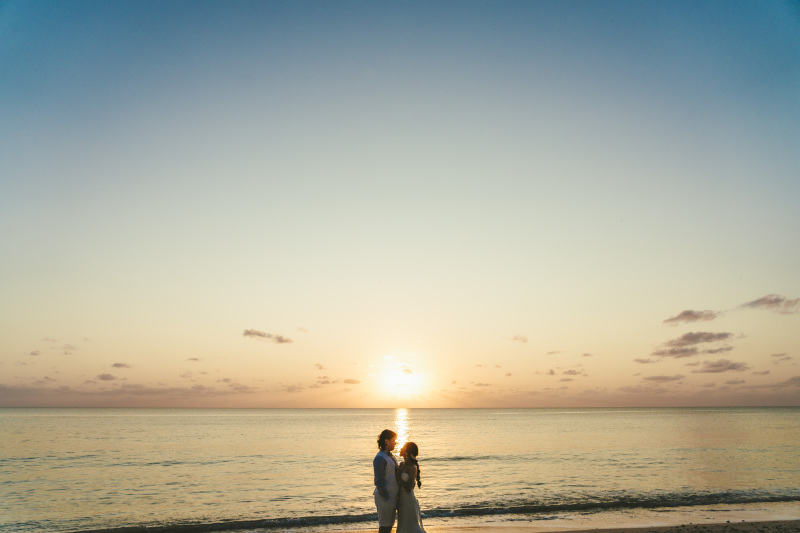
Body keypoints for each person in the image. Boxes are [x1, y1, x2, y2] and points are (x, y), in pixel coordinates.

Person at [396, 442, 426, 533]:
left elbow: (409, 488)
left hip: (408, 501)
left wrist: (398, 478)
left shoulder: (413, 467)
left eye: (404, 447)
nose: (401, 448)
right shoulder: (401, 464)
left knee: (410, 527)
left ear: (408, 452)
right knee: (402, 526)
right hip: (401, 501)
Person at [373, 429, 399, 533]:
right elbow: (379, 481)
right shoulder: (380, 458)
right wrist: (385, 498)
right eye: (393, 441)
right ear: (386, 441)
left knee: (389, 526)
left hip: (391, 496)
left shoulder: (391, 456)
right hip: (385, 497)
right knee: (385, 527)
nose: (395, 443)